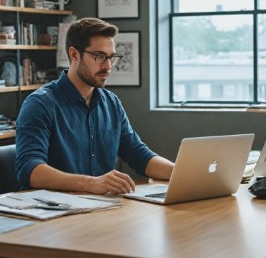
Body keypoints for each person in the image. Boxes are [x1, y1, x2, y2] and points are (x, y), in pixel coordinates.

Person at [15, 17, 174, 194]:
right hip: (53, 211)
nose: (107, 66)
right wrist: (92, 184)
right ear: (74, 54)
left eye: (111, 57)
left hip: (100, 208)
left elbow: (139, 155)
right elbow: (29, 169)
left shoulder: (111, 103)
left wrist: (180, 173)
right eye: (99, 56)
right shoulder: (40, 104)